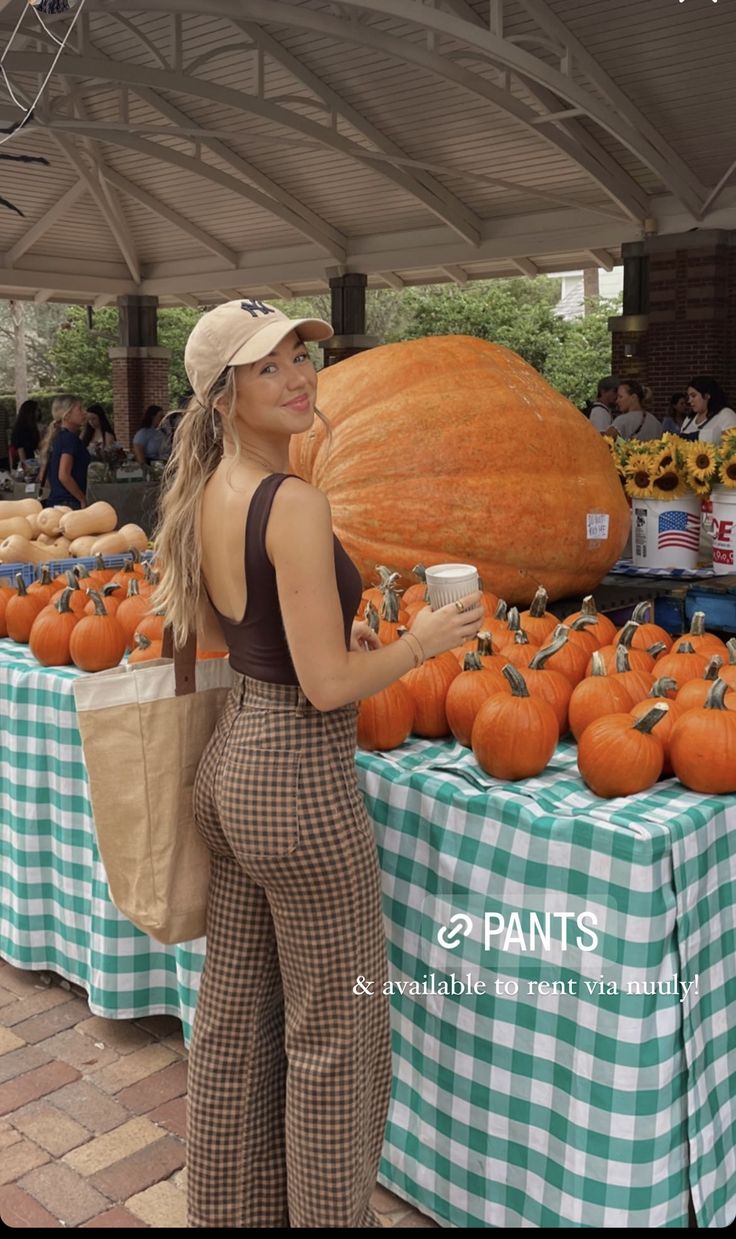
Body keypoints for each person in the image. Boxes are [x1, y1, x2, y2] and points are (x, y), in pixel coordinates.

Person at [151, 299, 485, 1230]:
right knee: (338, 1038)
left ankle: (229, 1214)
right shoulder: (293, 501)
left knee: (235, 1024)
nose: (299, 377)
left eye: (301, 356)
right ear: (225, 396)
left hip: (231, 769)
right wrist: (420, 641)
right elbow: (331, 687)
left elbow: (226, 633)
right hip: (297, 782)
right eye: (270, 367)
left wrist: (327, 625)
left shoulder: (212, 490)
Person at [40, 395, 90, 509]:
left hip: (56, 500)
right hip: (69, 502)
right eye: (79, 409)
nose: (84, 412)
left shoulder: (57, 437)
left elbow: (44, 475)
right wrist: (82, 498)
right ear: (67, 415)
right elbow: (64, 475)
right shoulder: (69, 439)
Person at [679, 375, 736, 443]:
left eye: (693, 396)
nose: (689, 400)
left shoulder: (726, 415)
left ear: (707, 395)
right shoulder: (689, 419)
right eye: (689, 396)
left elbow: (732, 446)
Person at [9, 398, 40, 470]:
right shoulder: (21, 428)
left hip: (31, 460)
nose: (38, 412)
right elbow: (20, 449)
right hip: (22, 462)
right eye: (36, 410)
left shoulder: (32, 427)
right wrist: (26, 467)